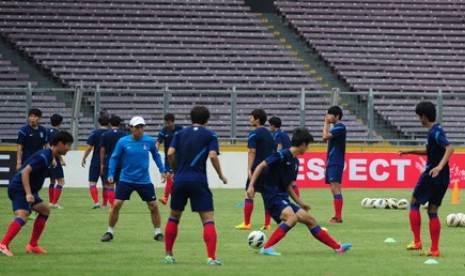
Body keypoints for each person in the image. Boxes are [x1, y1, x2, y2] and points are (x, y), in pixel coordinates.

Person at [247, 128, 351, 256]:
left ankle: (337, 247)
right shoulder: (281, 155)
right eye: (307, 146)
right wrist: (251, 185)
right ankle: (267, 247)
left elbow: (288, 186)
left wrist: (300, 203)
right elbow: (261, 165)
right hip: (272, 196)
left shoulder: (295, 162)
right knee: (291, 218)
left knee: (310, 220)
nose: (307, 150)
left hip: (282, 198)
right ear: (302, 144)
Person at [164, 105, 227, 265]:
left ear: (191, 118)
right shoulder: (210, 135)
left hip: (180, 180)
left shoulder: (179, 134)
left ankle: (169, 255)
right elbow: (213, 156)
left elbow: (170, 153)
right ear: (207, 119)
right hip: (198, 181)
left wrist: (175, 169)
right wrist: (220, 175)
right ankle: (211, 258)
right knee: (207, 220)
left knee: (174, 216)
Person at [0, 131, 74, 257]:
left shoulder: (50, 156)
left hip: (27, 189)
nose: (69, 148)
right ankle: (3, 245)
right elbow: (25, 173)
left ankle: (32, 245)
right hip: (19, 188)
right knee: (23, 215)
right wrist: (29, 194)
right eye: (68, 145)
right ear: (60, 144)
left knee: (45, 210)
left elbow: (37, 175)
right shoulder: (44, 157)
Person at [398, 102, 454, 257]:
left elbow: (450, 148)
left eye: (418, 116)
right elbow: (429, 151)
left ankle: (417, 241)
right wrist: (409, 151)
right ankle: (434, 249)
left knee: (414, 203)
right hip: (443, 179)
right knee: (432, 211)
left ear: (423, 116)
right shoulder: (437, 130)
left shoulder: (434, 132)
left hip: (432, 175)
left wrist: (439, 167)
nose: (418, 119)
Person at [100, 116, 166, 242]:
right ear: (131, 128)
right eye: (137, 127)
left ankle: (158, 233)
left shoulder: (149, 141)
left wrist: (162, 170)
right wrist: (110, 174)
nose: (140, 129)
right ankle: (109, 232)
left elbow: (156, 156)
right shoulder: (123, 142)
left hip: (144, 180)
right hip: (126, 179)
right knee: (116, 204)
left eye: (142, 127)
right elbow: (114, 157)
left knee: (153, 205)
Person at [235, 109, 274, 231]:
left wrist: (249, 169)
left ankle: (247, 223)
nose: (250, 120)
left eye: (251, 117)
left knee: (249, 194)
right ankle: (267, 224)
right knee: (266, 196)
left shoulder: (254, 134)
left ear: (257, 119)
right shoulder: (270, 135)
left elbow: (252, 152)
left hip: (257, 168)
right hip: (269, 168)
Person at [17, 108, 49, 220]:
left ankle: (34, 209)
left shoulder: (43, 130)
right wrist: (18, 161)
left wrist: (52, 158)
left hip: (39, 162)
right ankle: (28, 208)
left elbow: (46, 145)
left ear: (39, 118)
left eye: (35, 116)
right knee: (28, 185)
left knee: (36, 185)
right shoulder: (24, 130)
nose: (32, 118)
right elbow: (19, 147)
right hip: (27, 162)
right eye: (31, 116)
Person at [322, 106, 346, 224]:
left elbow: (325, 137)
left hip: (336, 161)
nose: (328, 116)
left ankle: (337, 217)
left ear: (336, 116)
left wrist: (325, 123)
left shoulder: (340, 127)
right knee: (335, 187)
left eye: (330, 114)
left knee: (335, 187)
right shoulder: (336, 129)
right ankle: (337, 216)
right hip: (332, 161)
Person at [81, 115, 109, 209]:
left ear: (99, 123)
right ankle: (105, 204)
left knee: (92, 182)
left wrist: (84, 157)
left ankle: (96, 201)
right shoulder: (110, 133)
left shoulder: (94, 133)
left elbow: (89, 147)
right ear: (108, 123)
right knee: (106, 184)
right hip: (107, 161)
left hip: (96, 160)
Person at [99, 115, 127, 209]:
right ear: (119, 124)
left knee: (109, 184)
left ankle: (112, 205)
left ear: (110, 124)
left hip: (109, 162)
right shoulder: (124, 135)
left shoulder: (105, 135)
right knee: (119, 184)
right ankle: (118, 204)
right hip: (121, 163)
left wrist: (102, 164)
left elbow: (102, 150)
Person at [269, 116, 299, 196]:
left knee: (281, 181)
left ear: (272, 125)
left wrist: (276, 159)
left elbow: (279, 146)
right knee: (292, 182)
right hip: (292, 159)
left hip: (285, 160)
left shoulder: (277, 134)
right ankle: (297, 200)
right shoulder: (283, 133)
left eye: (269, 125)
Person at [156, 113, 183, 205]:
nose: (167, 125)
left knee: (171, 177)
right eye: (166, 123)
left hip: (177, 156)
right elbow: (158, 141)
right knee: (170, 178)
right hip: (168, 157)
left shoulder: (179, 129)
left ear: (173, 122)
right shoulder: (164, 131)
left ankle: (168, 198)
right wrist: (156, 149)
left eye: (169, 123)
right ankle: (171, 198)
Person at [47, 114, 66, 209]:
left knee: (52, 180)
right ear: (60, 122)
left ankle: (51, 202)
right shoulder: (58, 134)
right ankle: (54, 203)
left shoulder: (46, 131)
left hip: (47, 158)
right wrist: (61, 160)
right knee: (61, 181)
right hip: (55, 159)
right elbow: (57, 148)